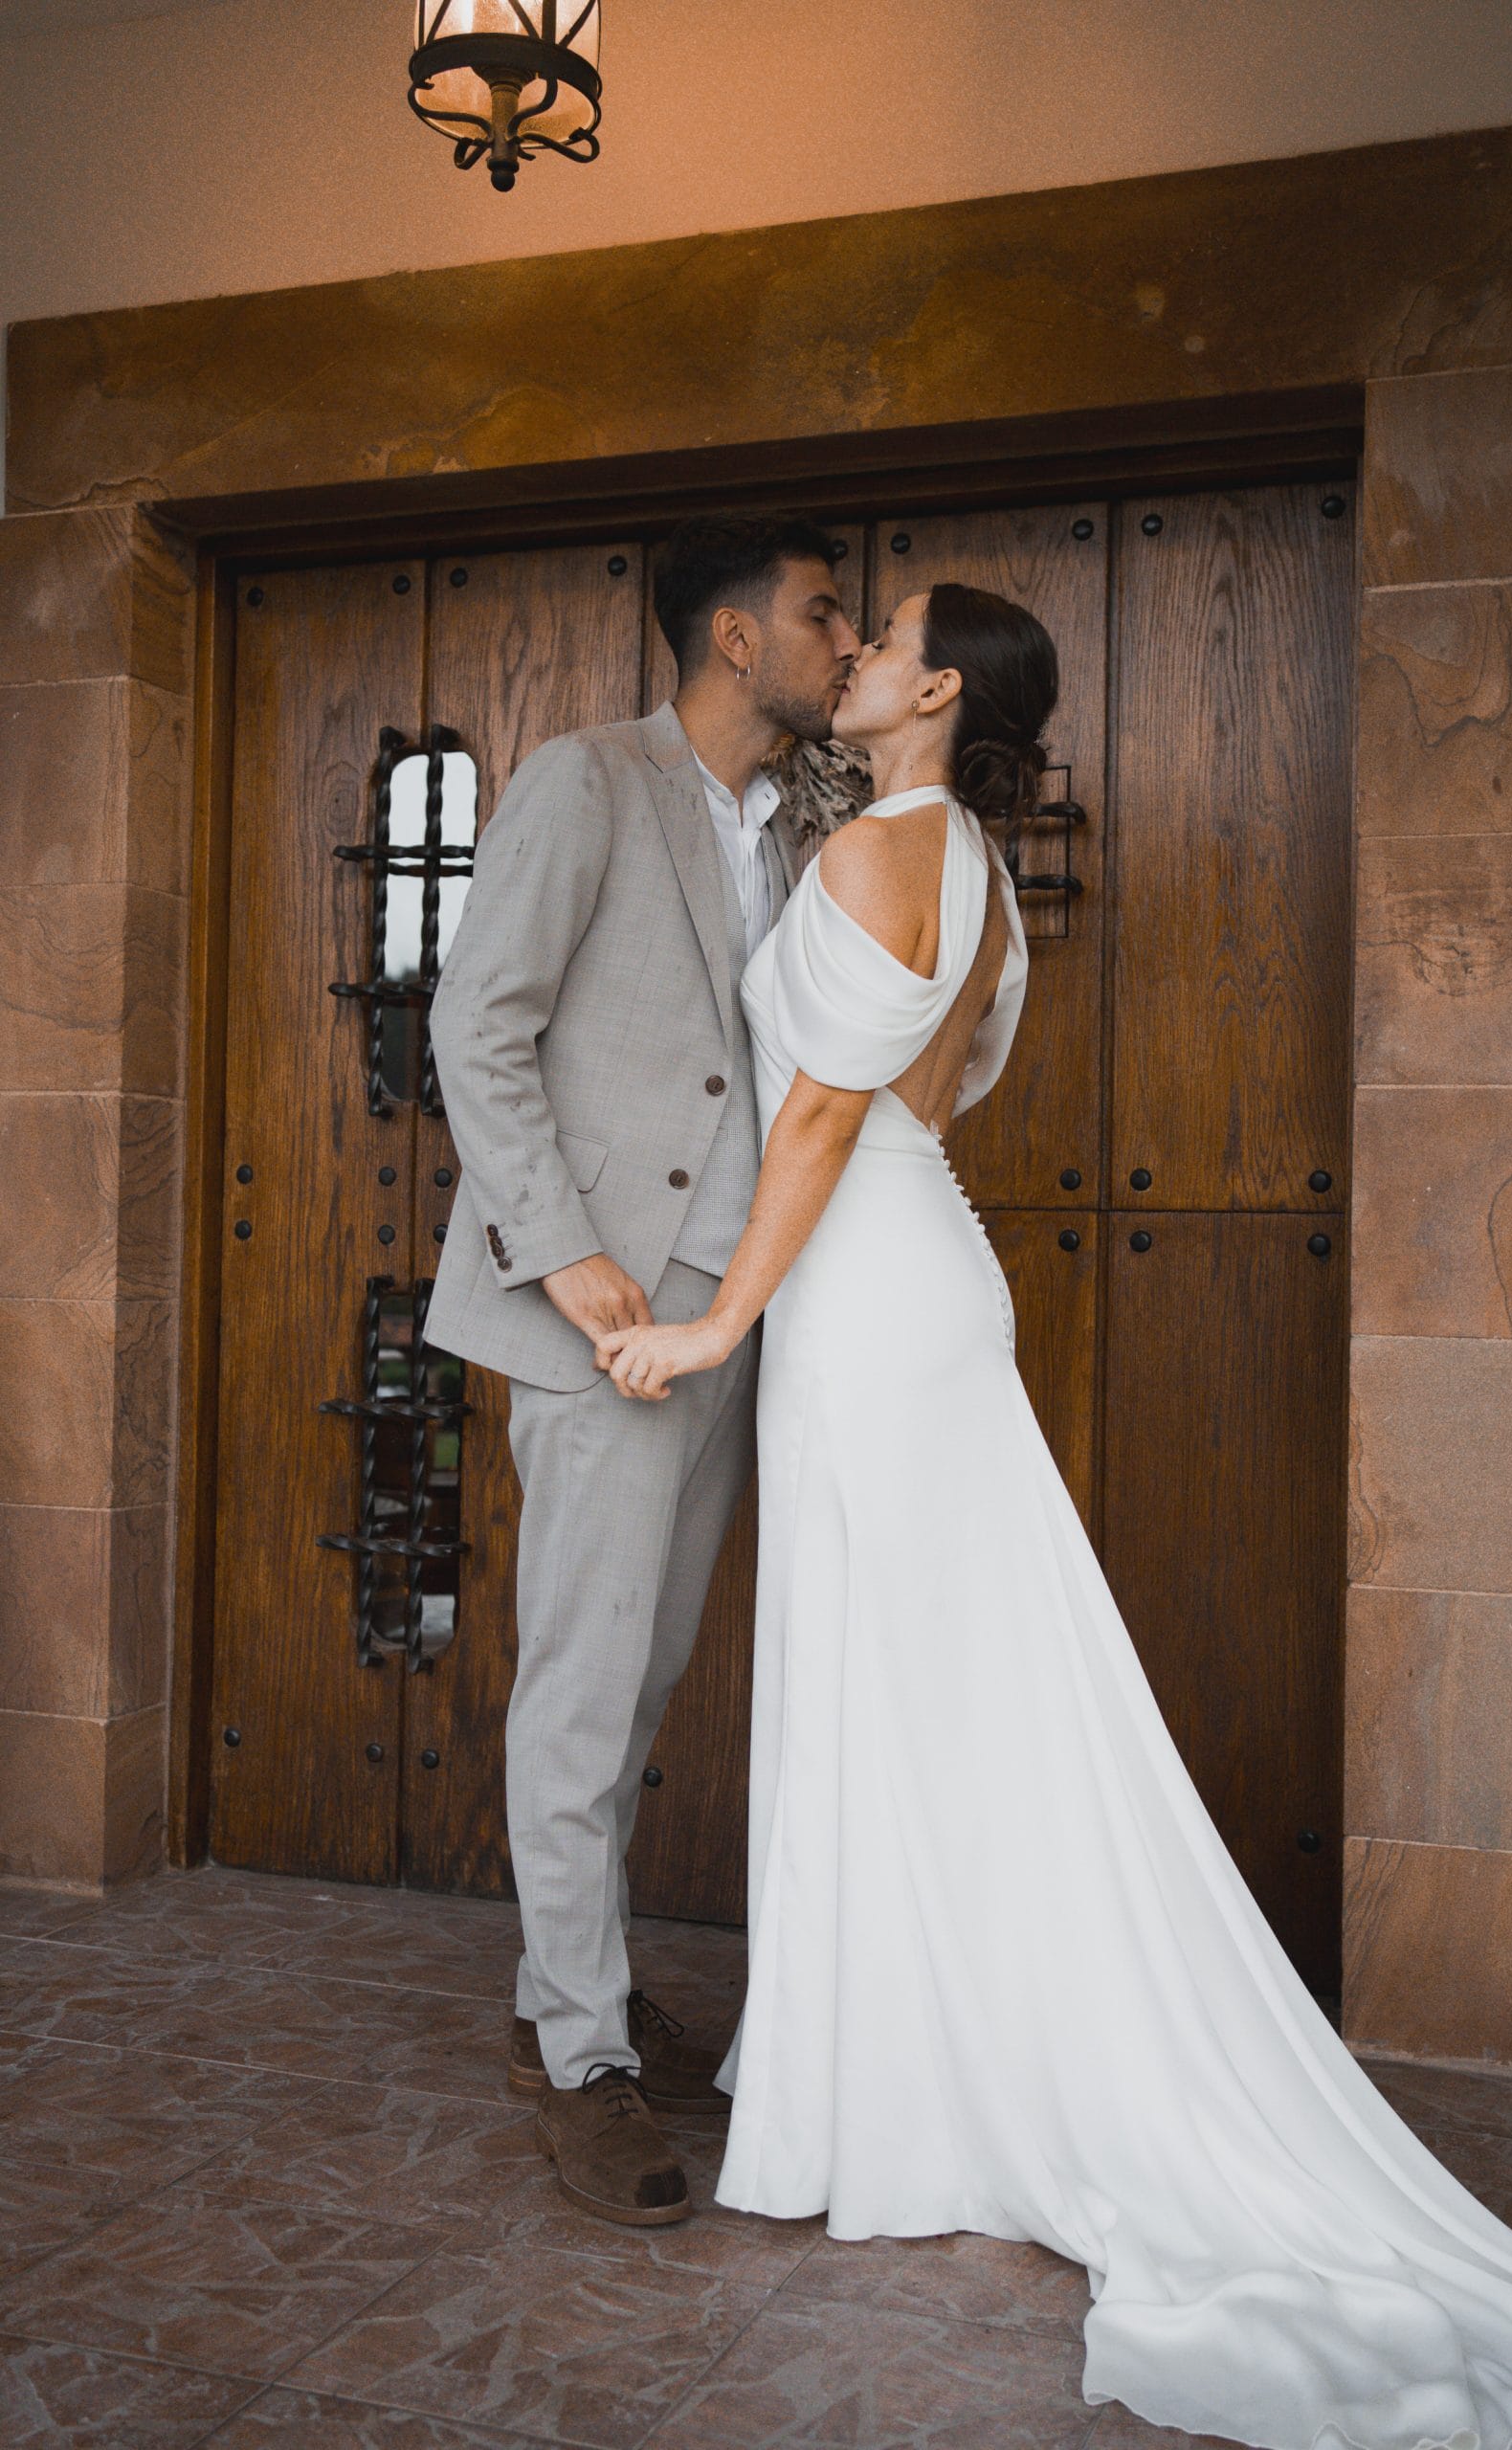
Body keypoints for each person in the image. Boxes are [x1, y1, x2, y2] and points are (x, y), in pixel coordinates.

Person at [596, 581, 1512, 2449]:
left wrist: (716, 1317)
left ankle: (895, 2096)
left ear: (932, 686)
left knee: (899, 1687)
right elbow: (921, 1098)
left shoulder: (871, 859)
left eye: (882, 628)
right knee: (944, 1694)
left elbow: (822, 1124)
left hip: (854, 1287)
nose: (851, 647)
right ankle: (887, 2073)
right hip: (920, 1277)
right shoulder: (970, 860)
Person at [426, 512, 860, 2229]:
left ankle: (571, 1994)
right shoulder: (585, 779)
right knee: (585, 1685)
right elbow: (482, 1022)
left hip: (733, 1314)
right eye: (824, 612)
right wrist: (560, 1249)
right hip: (605, 1319)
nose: (844, 638)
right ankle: (581, 2055)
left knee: (649, 1674)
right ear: (737, 638)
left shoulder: (807, 815)